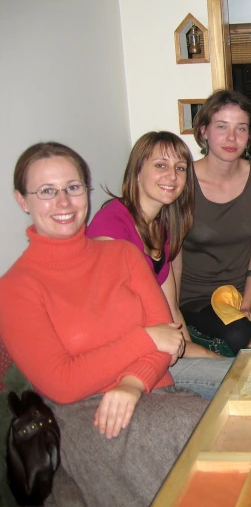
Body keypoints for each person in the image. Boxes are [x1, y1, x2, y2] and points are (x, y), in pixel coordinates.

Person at [0, 142, 208, 506]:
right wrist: (143, 338)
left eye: (73, 187)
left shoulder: (123, 254)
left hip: (157, 391)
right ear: (22, 200)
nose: (64, 202)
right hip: (89, 414)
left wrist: (131, 383)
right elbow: (62, 383)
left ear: (86, 190)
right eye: (47, 192)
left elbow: (169, 340)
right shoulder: (16, 288)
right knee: (209, 430)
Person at [87, 131, 234, 399]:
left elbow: (170, 311)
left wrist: (200, 352)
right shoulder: (111, 226)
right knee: (242, 381)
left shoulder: (160, 227)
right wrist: (197, 354)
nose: (173, 176)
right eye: (160, 166)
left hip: (160, 351)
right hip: (128, 366)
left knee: (240, 368)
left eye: (180, 168)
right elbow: (108, 324)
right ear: (137, 172)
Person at [177, 90, 251, 354]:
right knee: (240, 333)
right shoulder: (180, 182)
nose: (231, 138)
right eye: (222, 127)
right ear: (203, 131)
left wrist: (246, 304)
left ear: (250, 135)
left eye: (241, 128)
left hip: (248, 290)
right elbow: (169, 258)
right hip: (198, 298)